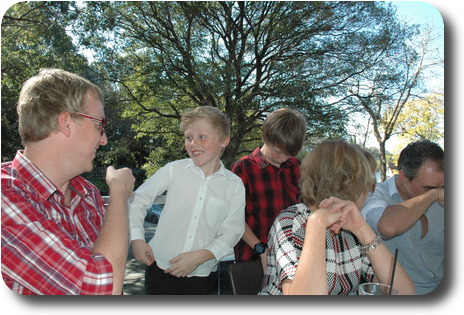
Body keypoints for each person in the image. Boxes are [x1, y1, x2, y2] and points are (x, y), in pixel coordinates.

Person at [1, 68, 135, 295]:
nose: (104, 139)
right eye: (99, 125)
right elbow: (101, 289)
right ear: (66, 122)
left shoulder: (88, 193)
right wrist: (119, 193)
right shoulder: (5, 197)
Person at [260, 140, 414, 295]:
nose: (369, 194)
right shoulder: (292, 221)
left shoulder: (351, 227)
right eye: (368, 187)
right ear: (351, 186)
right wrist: (317, 224)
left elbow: (404, 293)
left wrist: (362, 229)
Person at [129, 106, 245, 295]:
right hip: (159, 269)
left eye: (202, 137)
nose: (193, 143)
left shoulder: (234, 185)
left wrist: (201, 257)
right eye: (188, 137)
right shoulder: (174, 170)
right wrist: (137, 238)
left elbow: (232, 231)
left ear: (224, 140)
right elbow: (139, 199)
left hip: (201, 277)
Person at [362, 140, 444, 295]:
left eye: (443, 186)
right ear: (404, 176)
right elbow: (387, 227)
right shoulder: (376, 193)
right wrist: (434, 195)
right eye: (428, 188)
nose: (440, 193)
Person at [231, 108, 306, 271]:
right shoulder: (243, 168)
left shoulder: (298, 168)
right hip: (253, 260)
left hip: (293, 258)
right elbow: (233, 218)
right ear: (265, 136)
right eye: (279, 151)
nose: (283, 158)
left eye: (288, 154)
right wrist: (261, 250)